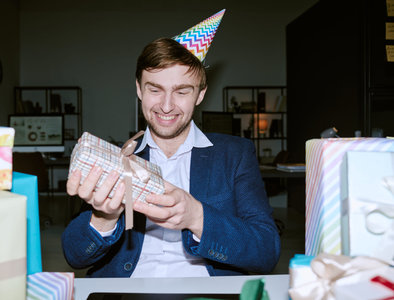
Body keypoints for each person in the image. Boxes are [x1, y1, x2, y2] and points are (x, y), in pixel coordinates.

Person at [62, 9, 280, 278]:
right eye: (155, 90)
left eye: (181, 91)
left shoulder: (235, 154)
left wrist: (196, 217)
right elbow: (74, 255)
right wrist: (104, 218)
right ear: (139, 90)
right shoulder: (118, 157)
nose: (166, 106)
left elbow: (267, 251)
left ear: (200, 94)